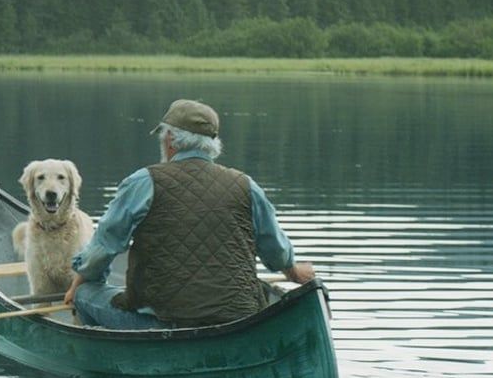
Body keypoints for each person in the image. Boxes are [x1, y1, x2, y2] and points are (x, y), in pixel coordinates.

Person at [63, 99, 315, 330]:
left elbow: (106, 245)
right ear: (212, 145)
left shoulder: (143, 182)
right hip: (239, 317)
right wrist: (293, 272)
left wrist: (79, 282)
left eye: (163, 136)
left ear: (171, 139)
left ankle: (104, 362)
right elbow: (273, 246)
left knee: (86, 294)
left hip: (163, 321)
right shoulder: (245, 185)